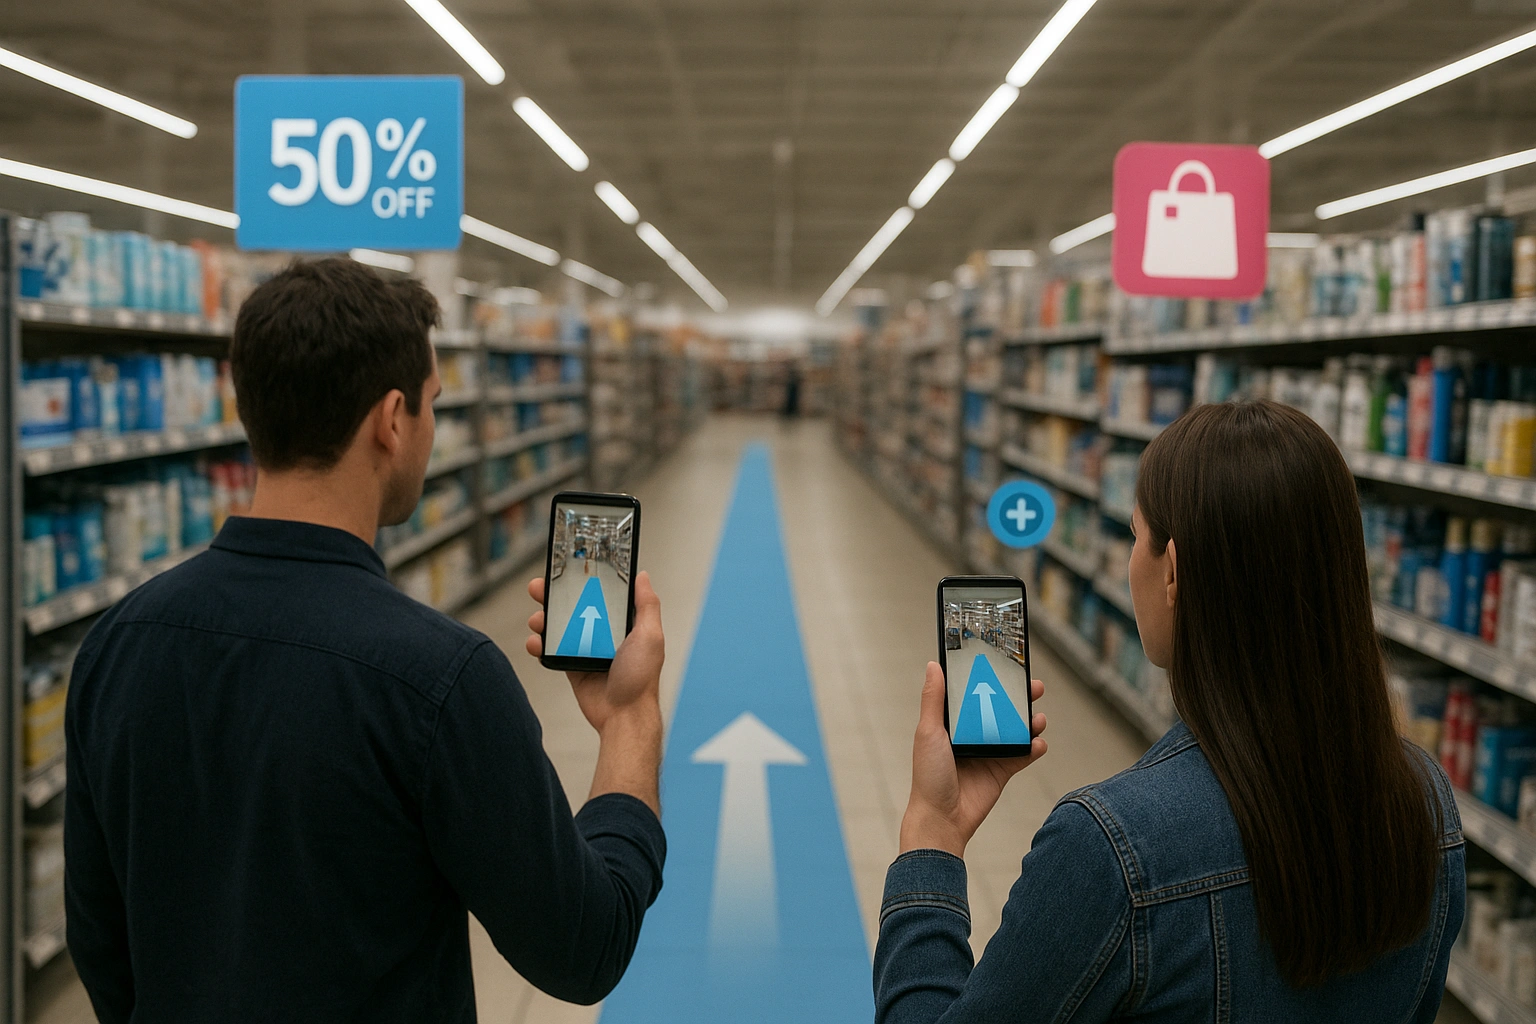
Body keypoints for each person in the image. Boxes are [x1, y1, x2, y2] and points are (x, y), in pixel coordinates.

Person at [65, 258, 668, 1023]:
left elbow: (101, 942)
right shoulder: (440, 679)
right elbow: (585, 949)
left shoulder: (114, 645)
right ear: (391, 420)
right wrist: (630, 718)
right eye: (433, 405)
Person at [876, 399, 1464, 1022]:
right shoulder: (1425, 801)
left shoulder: (1110, 848)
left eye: (1135, 536)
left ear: (1173, 569)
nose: (1130, 561)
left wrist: (931, 835)